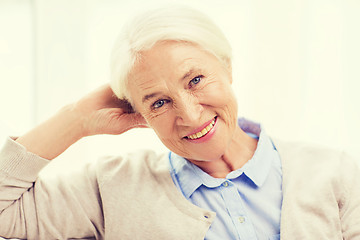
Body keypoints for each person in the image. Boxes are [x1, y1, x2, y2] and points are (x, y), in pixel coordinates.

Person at [0, 5, 359, 240]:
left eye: (196, 80)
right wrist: (75, 118)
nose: (189, 114)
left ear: (227, 66)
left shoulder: (334, 173)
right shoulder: (112, 188)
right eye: (159, 102)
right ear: (138, 112)